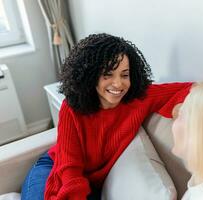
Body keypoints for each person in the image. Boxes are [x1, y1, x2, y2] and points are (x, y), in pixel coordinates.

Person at [20, 33, 193, 200]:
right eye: (108, 74)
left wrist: (180, 109)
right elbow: (69, 168)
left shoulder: (139, 98)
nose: (118, 83)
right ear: (91, 76)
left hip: (92, 183)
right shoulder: (71, 108)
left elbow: (192, 88)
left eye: (125, 74)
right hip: (55, 168)